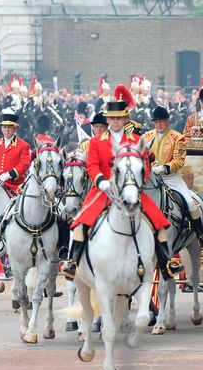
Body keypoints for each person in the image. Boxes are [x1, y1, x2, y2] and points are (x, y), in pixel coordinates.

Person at [61, 93, 183, 281]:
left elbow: (146, 165)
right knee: (81, 221)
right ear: (108, 119)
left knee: (159, 222)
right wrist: (101, 181)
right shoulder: (95, 141)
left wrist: (137, 184)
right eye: (112, 118)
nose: (115, 122)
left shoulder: (136, 140)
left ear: (125, 118)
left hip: (131, 191)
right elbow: (92, 165)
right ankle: (73, 261)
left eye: (119, 118)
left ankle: (167, 262)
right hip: (103, 191)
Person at [144, 105, 203, 249]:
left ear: (167, 121)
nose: (159, 124)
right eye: (156, 122)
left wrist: (164, 168)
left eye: (162, 121)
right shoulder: (146, 137)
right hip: (151, 178)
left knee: (190, 202)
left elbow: (179, 160)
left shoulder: (177, 137)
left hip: (171, 178)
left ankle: (201, 235)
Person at [0, 109, 31, 193]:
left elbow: (24, 164)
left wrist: (9, 174)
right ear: (1, 128)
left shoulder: (23, 145)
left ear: (15, 128)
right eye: (4, 127)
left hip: (15, 186)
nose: (7, 129)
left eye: (10, 127)